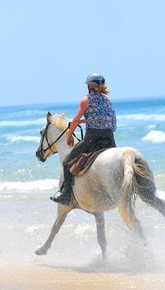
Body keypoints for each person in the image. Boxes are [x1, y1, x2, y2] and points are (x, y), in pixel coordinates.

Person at [50, 73, 117, 205]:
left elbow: (74, 120)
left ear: (89, 86)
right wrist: (86, 120)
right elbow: (111, 122)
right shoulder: (107, 100)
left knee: (67, 162)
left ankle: (66, 195)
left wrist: (69, 137)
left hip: (93, 139)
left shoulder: (85, 100)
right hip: (110, 138)